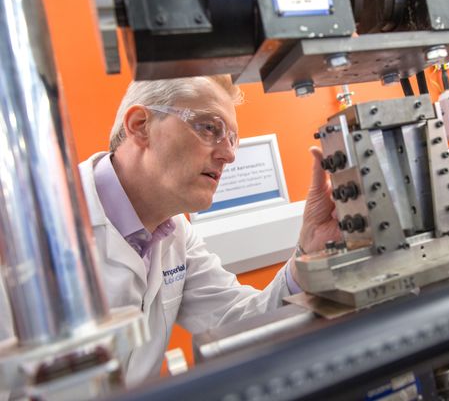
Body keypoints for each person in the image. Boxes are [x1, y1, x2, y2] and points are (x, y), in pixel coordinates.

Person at [3, 75, 339, 388]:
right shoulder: (23, 232)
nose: (229, 154)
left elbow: (239, 321)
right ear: (140, 127)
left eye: (232, 138)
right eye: (210, 127)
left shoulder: (175, 230)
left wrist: (306, 254)